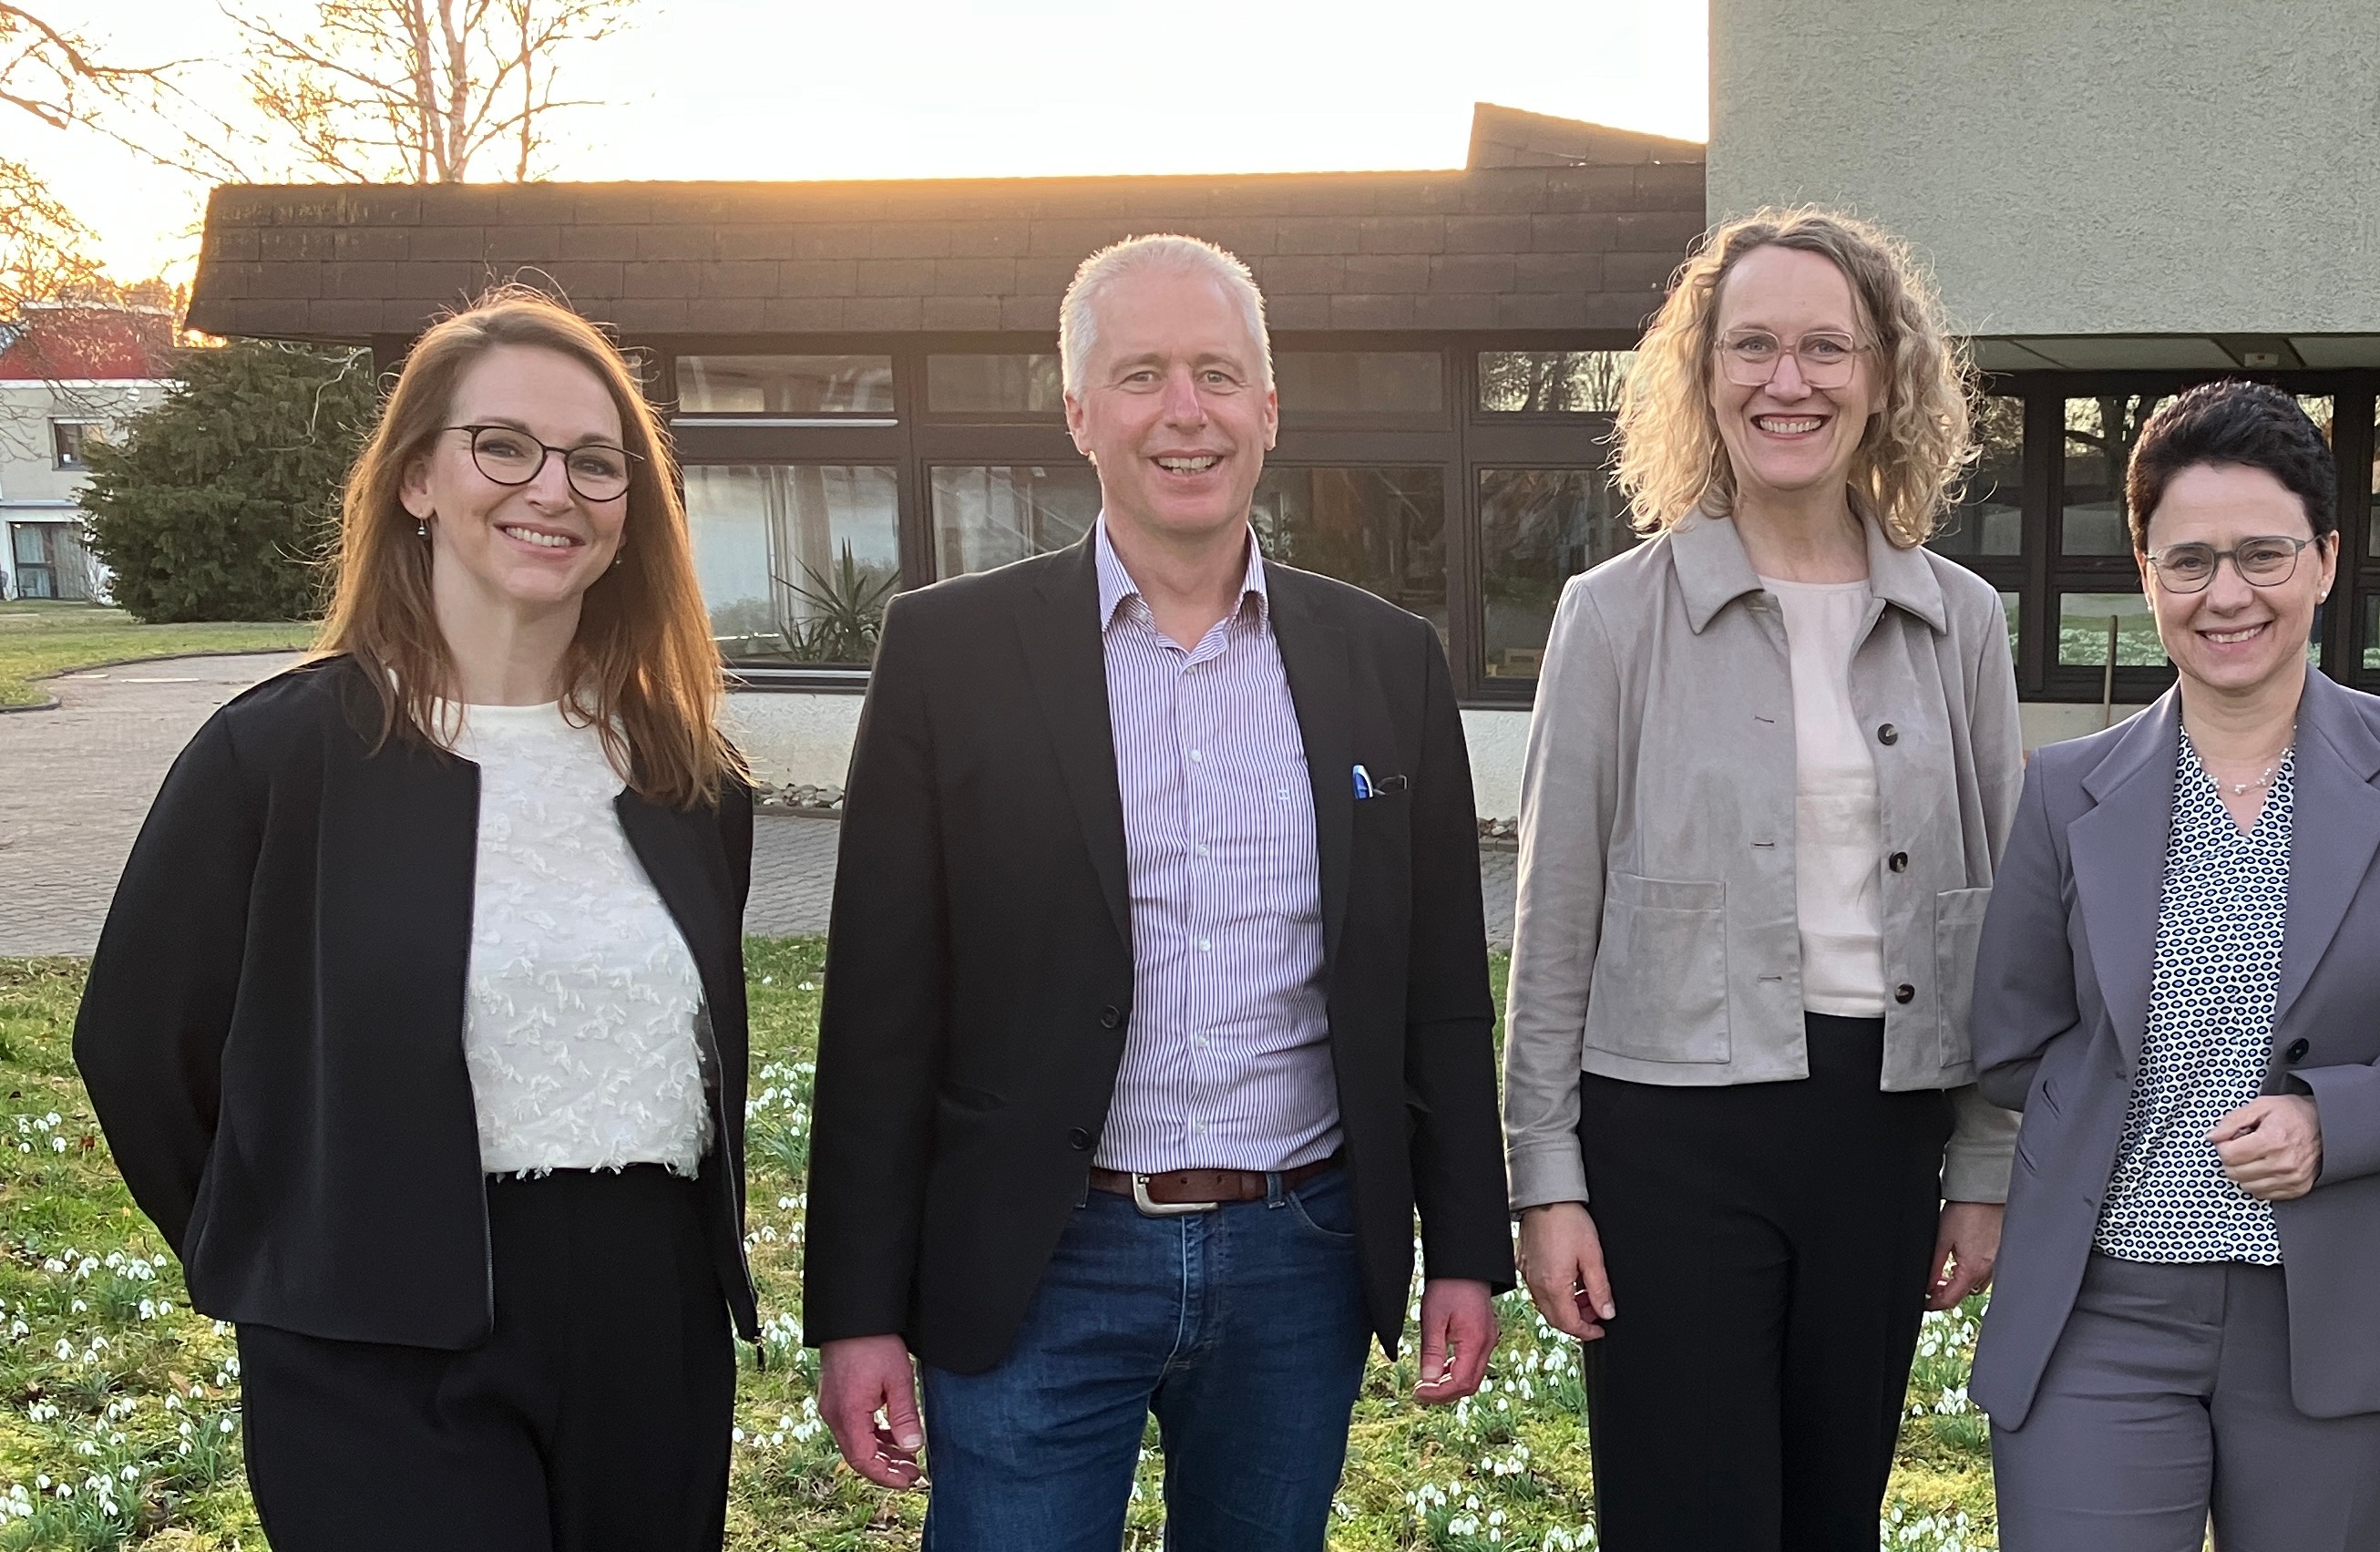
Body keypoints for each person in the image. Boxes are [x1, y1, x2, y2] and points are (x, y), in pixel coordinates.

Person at [802, 232, 1507, 1549]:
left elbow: (1439, 993)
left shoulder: (1387, 662)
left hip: (1296, 1253)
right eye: (1141, 375)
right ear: (1078, 412)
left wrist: (1464, 1243)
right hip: (1036, 1257)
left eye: (1218, 374)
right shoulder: (949, 653)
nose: (1186, 412)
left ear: (1270, 409)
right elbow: (878, 1010)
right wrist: (855, 1307)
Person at [75, 289, 755, 1550]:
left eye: (596, 461)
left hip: (648, 1323)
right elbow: (136, 1049)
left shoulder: (686, 777)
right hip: (372, 1337)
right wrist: (296, 1256)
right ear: (417, 480)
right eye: (504, 444)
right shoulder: (274, 758)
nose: (552, 487)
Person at [1501, 206, 2017, 1552]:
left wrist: (1989, 1157)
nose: (1787, 382)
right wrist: (1544, 1174)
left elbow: (2000, 913)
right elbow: (1553, 918)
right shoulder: (1612, 614)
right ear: (1704, 374)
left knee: (1833, 1510)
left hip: (1883, 1127)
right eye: (1752, 348)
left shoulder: (1961, 620)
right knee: (1689, 1517)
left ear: (1884, 376)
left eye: (1824, 348)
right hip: (1666, 1132)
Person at [1963, 379, 2380, 1551]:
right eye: (2188, 561)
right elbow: (2012, 1040)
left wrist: (2337, 1118)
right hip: (2103, 1306)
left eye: (2262, 554)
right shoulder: (2067, 788)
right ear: (2145, 572)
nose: (2226, 593)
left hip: (2338, 1312)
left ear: (2326, 560)